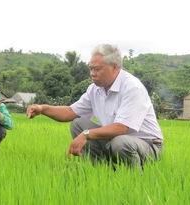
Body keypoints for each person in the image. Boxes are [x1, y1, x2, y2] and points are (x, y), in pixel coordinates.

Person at [26, 44, 163, 168]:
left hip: (147, 146)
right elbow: (70, 112)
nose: (92, 73)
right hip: (116, 141)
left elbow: (121, 128)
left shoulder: (132, 87)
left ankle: (135, 179)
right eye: (91, 69)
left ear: (114, 67)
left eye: (97, 69)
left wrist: (87, 135)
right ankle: (100, 171)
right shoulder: (94, 89)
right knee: (78, 124)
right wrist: (43, 109)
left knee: (120, 143)